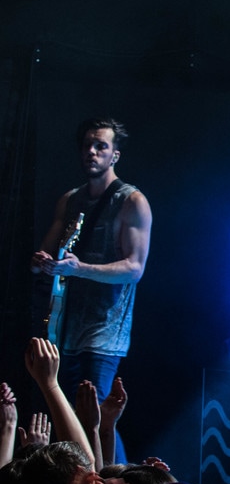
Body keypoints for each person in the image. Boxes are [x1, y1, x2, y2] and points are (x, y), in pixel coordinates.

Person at [31, 117, 153, 464]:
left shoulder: (131, 201)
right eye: (87, 145)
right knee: (68, 416)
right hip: (64, 328)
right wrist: (41, 262)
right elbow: (45, 254)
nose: (92, 152)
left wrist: (79, 268)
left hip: (104, 332)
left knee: (95, 417)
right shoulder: (70, 200)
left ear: (115, 154)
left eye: (101, 146)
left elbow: (134, 268)